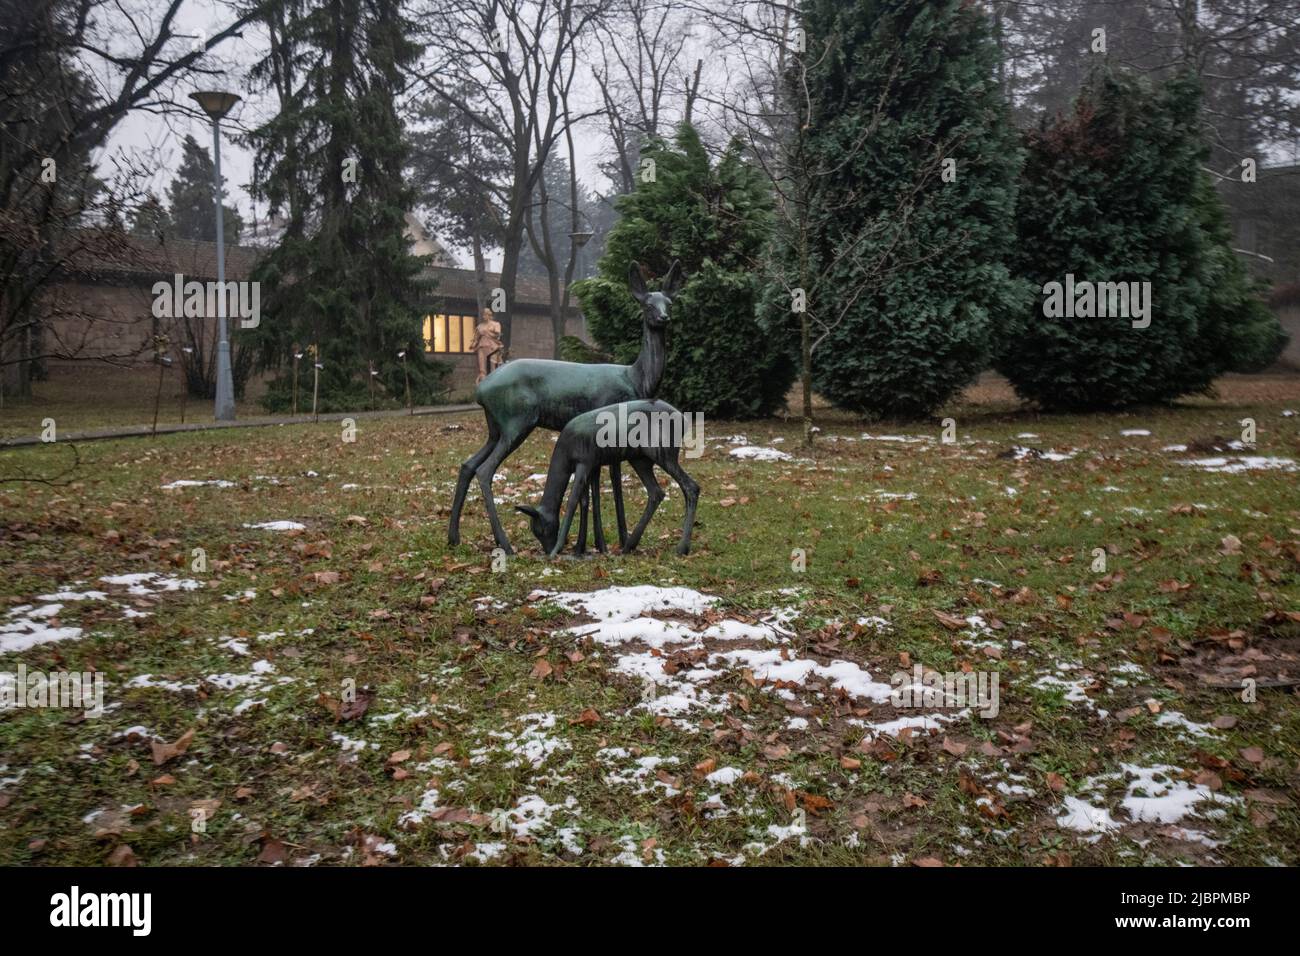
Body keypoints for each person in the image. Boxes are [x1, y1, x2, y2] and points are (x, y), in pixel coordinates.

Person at [471, 307, 503, 383]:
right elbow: (476, 338)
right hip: (481, 347)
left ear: (489, 315)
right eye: (483, 315)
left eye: (485, 315)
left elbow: (498, 335)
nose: (483, 316)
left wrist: (486, 333)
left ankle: (494, 380)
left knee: (492, 364)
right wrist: (473, 344)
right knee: (482, 365)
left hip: (492, 347)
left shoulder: (496, 324)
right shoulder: (480, 326)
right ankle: (483, 380)